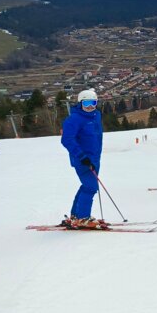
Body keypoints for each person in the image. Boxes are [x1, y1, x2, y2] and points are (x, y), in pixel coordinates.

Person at [59, 89, 105, 229]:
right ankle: (82, 217)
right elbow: (67, 139)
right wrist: (81, 156)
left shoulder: (96, 116)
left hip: (94, 158)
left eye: (93, 103)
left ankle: (75, 215)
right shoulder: (74, 119)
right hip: (82, 159)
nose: (90, 107)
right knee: (91, 187)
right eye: (86, 103)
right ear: (80, 103)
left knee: (87, 186)